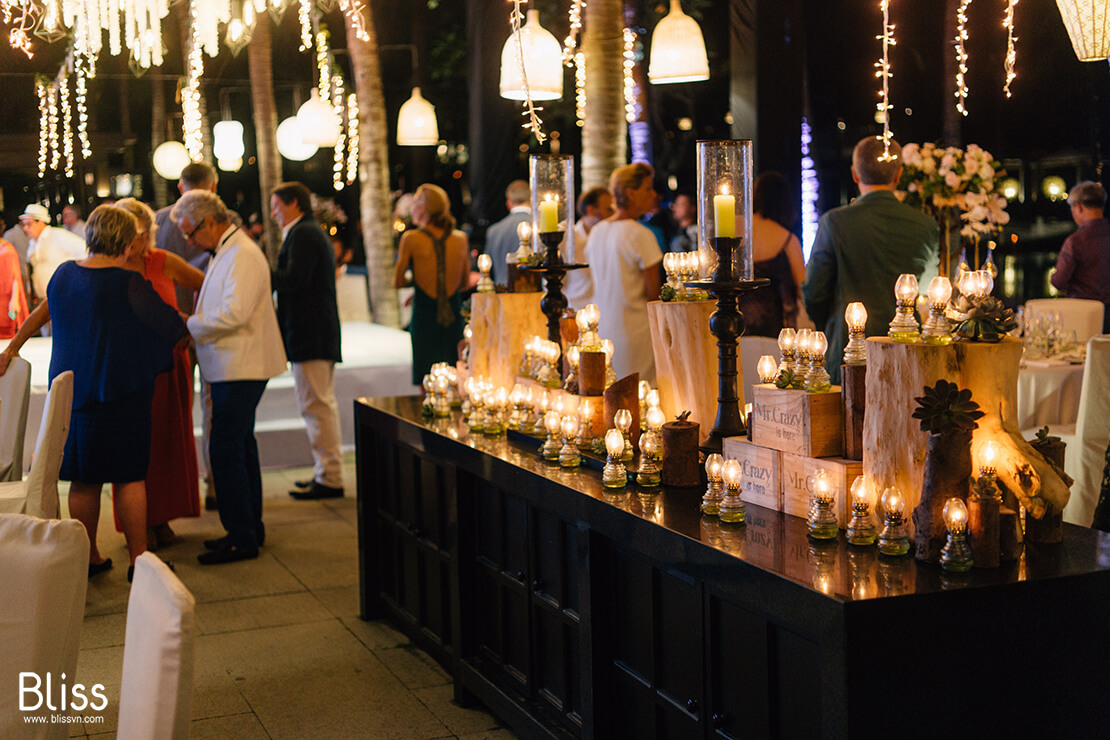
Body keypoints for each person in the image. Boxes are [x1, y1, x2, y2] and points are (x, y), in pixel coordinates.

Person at [47, 205, 186, 579]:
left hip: (75, 396)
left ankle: (87, 556)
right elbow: (168, 325)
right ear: (126, 242)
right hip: (121, 394)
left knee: (84, 479)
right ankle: (139, 560)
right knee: (129, 477)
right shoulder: (127, 283)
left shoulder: (61, 276)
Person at [172, 190, 287, 565]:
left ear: (211, 221)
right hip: (234, 365)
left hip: (240, 366)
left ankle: (241, 537)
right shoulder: (231, 250)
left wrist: (189, 323)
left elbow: (234, 314)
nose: (190, 241)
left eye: (191, 233)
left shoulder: (241, 253)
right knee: (239, 448)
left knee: (225, 450)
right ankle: (248, 527)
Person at [803, 136, 938, 383]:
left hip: (848, 353)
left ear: (855, 174)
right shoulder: (925, 225)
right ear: (898, 175)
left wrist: (831, 327)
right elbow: (928, 290)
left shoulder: (833, 223)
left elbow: (814, 292)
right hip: (906, 352)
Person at [114, 198, 205, 548]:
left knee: (168, 443)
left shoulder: (162, 261)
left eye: (141, 233)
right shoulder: (110, 268)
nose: (137, 241)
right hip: (130, 368)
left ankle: (163, 518)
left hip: (170, 366)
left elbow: (209, 286)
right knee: (138, 446)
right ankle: (141, 523)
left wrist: (192, 325)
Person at [269, 182, 345, 501]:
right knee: (315, 404)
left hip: (311, 331)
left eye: (276, 205)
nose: (273, 213)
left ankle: (330, 477)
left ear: (295, 204)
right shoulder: (305, 232)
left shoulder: (304, 233)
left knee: (317, 405)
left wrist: (262, 272)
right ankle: (324, 472)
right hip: (312, 330)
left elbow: (294, 280)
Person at [585, 163, 663, 383]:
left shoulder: (597, 231)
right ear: (631, 192)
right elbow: (653, 294)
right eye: (648, 188)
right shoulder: (641, 235)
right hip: (635, 331)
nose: (653, 194)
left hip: (603, 328)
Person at [393, 184, 469, 384]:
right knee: (456, 375)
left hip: (425, 315)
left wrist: (418, 280)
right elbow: (464, 281)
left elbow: (398, 281)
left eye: (415, 203)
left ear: (423, 209)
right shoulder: (460, 239)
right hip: (453, 314)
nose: (411, 209)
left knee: (427, 379)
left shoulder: (411, 238)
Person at [738, 172, 808, 337]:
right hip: (776, 334)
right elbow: (803, 289)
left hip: (735, 331)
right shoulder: (788, 240)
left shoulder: (736, 229)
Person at [1051, 181, 1110, 332]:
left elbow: (1059, 282)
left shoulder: (1076, 241)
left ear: (1078, 207)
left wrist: (1053, 275)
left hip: (1083, 315)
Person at [20, 203, 86, 305]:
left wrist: (75, 284)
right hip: (43, 300)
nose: (25, 229)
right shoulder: (33, 243)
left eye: (29, 224)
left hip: (63, 298)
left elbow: (84, 251)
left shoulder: (58, 235)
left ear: (41, 222)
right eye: (24, 225)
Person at [564, 186, 615, 311]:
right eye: (609, 210)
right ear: (591, 211)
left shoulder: (612, 238)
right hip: (576, 311)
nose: (614, 215)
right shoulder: (569, 240)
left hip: (606, 312)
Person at [483, 180, 531, 286]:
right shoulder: (538, 227)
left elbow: (487, 270)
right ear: (532, 199)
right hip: (535, 295)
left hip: (503, 294)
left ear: (509, 203)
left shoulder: (494, 231)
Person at [0, 231, 28, 338]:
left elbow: (15, 276)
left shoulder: (8, 249)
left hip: (5, 299)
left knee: (7, 333)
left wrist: (14, 299)